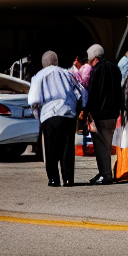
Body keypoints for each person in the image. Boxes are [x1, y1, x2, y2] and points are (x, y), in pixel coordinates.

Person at [29, 51, 81, 185]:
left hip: (49, 114)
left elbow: (34, 99)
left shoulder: (38, 76)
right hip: (68, 113)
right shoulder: (67, 73)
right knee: (67, 148)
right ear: (56, 61)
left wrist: (37, 116)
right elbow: (80, 93)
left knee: (50, 148)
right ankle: (68, 178)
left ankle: (53, 179)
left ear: (43, 63)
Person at [82, 43, 122, 184]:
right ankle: (103, 172)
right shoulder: (115, 69)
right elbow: (119, 92)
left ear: (94, 58)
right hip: (113, 113)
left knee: (102, 146)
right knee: (107, 143)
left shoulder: (96, 71)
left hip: (100, 114)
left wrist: (86, 111)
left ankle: (105, 174)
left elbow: (93, 94)